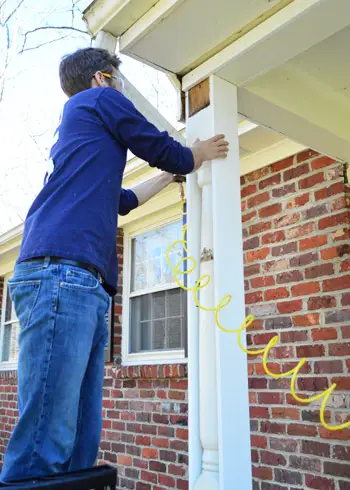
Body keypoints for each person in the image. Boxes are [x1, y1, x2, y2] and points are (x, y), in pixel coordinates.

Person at [1, 47, 229, 481]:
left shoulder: (81, 136)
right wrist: (192, 155)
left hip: (75, 284)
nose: (122, 89)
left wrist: (171, 175)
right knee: (45, 439)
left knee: (80, 436)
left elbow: (121, 201)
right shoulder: (100, 100)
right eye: (118, 81)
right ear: (102, 79)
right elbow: (159, 145)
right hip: (62, 277)